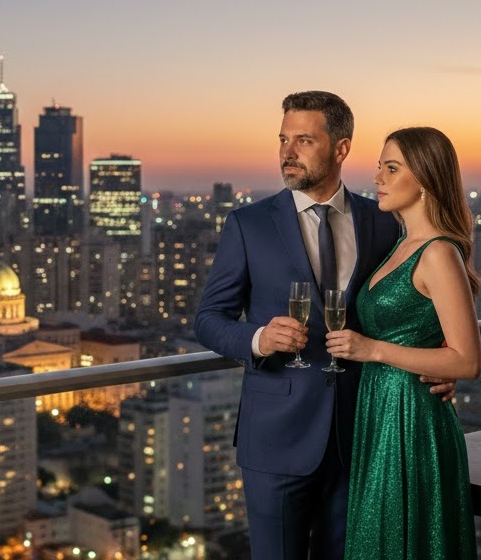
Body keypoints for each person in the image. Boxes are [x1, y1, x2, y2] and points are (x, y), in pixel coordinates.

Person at [194, 91, 455, 560]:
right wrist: (259, 338)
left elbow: (409, 305)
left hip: (363, 434)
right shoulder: (248, 224)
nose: (287, 152)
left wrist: (438, 364)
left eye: (304, 140)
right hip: (276, 440)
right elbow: (208, 319)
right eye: (283, 139)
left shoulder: (384, 220)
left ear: (341, 148)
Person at [326, 126, 480, 559]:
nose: (377, 177)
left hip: (413, 419)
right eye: (380, 167)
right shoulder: (400, 244)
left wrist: (371, 350)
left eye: (392, 169)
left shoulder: (438, 253)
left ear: (426, 178)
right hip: (380, 409)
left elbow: (467, 361)